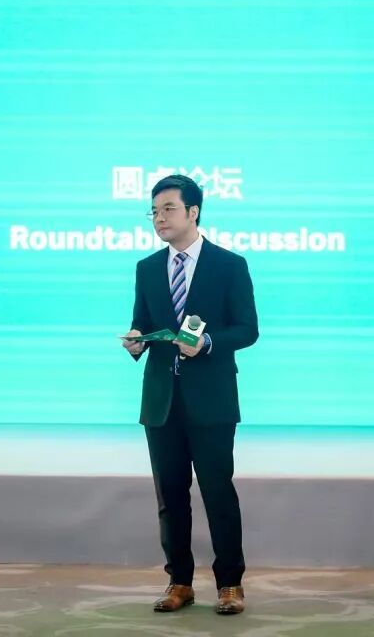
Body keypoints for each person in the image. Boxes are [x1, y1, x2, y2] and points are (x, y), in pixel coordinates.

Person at [121, 174, 259, 615]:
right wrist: (136, 341)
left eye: (168, 209)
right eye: (154, 211)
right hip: (161, 401)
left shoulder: (229, 264)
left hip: (212, 400)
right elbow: (143, 322)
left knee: (218, 493)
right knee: (170, 497)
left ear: (193, 212)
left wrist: (209, 343)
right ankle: (179, 582)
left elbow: (248, 329)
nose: (159, 218)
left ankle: (230, 584)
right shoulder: (147, 268)